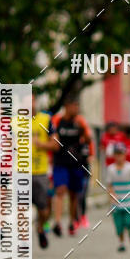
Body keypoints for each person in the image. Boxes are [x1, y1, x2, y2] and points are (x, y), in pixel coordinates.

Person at [50, 97, 93, 237]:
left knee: (74, 194)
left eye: (77, 106)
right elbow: (52, 138)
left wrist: (84, 130)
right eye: (74, 106)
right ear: (67, 106)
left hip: (76, 162)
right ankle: (57, 222)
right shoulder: (57, 120)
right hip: (60, 162)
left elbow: (88, 139)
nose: (76, 109)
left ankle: (72, 221)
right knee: (60, 190)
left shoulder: (80, 121)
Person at [106, 142, 130, 251]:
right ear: (114, 155)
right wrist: (112, 195)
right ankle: (121, 243)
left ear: (125, 154)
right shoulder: (111, 169)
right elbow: (109, 185)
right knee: (119, 225)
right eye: (117, 154)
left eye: (121, 154)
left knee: (128, 221)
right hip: (117, 202)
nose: (119, 157)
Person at [29, 93, 54, 249]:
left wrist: (40, 144)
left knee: (44, 210)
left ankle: (40, 228)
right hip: (20, 171)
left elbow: (55, 145)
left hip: (40, 171)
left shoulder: (45, 120)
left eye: (31, 100)